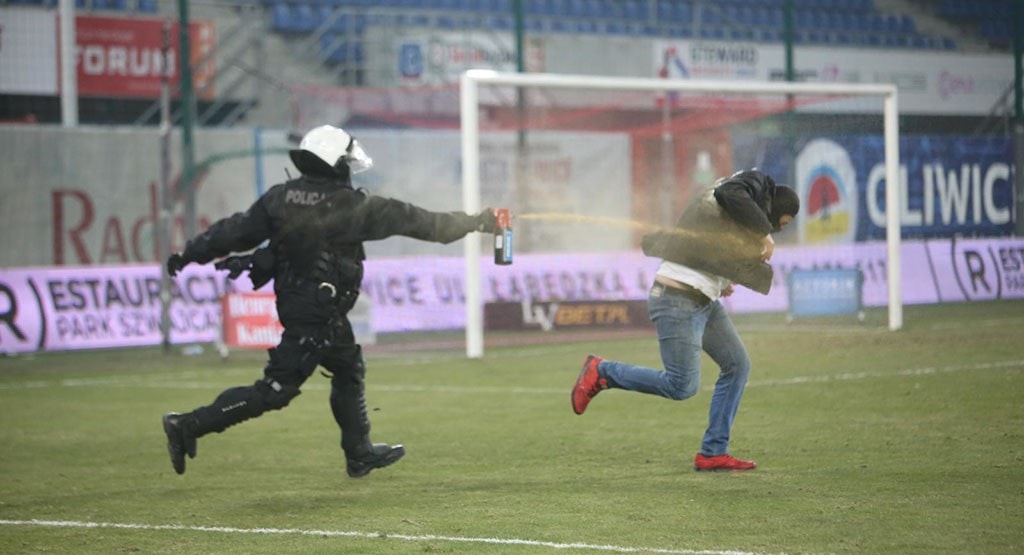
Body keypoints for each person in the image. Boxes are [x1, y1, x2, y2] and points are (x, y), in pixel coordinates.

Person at [162, 124, 498, 478]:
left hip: (309, 305)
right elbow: (424, 223)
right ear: (336, 164)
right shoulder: (353, 206)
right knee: (276, 390)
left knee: (348, 366)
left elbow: (233, 231)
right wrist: (475, 222)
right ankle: (188, 425)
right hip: (315, 312)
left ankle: (360, 453)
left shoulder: (280, 197)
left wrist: (189, 254)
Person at [570, 169, 800, 472]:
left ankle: (714, 452)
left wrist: (721, 281)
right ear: (772, 209)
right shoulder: (742, 191)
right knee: (681, 385)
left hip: (703, 299)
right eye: (780, 224)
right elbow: (729, 195)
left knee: (737, 365)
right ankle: (602, 371)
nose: (776, 231)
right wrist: (764, 233)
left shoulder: (738, 205)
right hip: (677, 299)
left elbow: (710, 247)